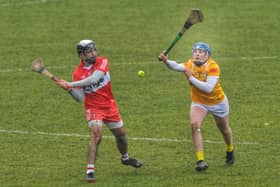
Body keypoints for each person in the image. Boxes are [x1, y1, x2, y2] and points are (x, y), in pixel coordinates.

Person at [55, 39, 142, 182]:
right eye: (89, 51)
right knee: (96, 135)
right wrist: (69, 90)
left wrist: (70, 83)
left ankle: (125, 159)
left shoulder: (102, 61)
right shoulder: (77, 73)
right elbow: (80, 98)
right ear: (81, 55)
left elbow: (94, 79)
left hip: (109, 105)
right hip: (93, 107)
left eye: (94, 50)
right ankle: (90, 171)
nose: (93, 53)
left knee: (121, 136)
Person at [159, 42, 234, 172]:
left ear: (207, 55)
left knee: (224, 129)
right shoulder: (190, 64)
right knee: (194, 125)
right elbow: (176, 66)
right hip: (199, 102)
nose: (197, 54)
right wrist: (166, 61)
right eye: (195, 51)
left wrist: (190, 77)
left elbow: (208, 89)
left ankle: (230, 148)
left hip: (217, 102)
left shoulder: (213, 67)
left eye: (201, 52)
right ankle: (201, 160)